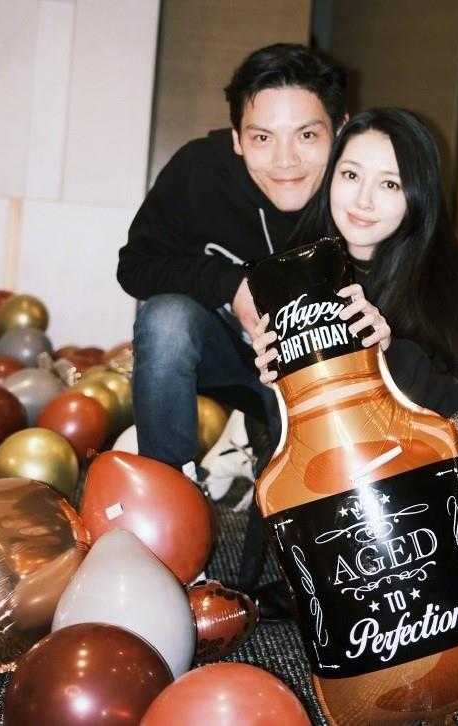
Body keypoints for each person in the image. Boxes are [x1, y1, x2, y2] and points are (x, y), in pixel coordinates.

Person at [116, 44, 358, 611]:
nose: (285, 160)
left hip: (319, 371)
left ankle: (320, 535)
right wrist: (231, 284)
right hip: (225, 353)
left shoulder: (361, 182)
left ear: (340, 130)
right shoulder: (199, 171)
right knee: (165, 317)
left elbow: (429, 274)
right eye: (262, 137)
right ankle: (170, 503)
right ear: (236, 139)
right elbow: (136, 265)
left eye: (307, 135)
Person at [252, 108, 458, 552]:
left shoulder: (450, 280)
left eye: (389, 184)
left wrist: (387, 355)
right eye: (350, 175)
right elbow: (298, 440)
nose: (363, 201)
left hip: (440, 454)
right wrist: (279, 383)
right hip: (347, 461)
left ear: (417, 195)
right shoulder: (296, 272)